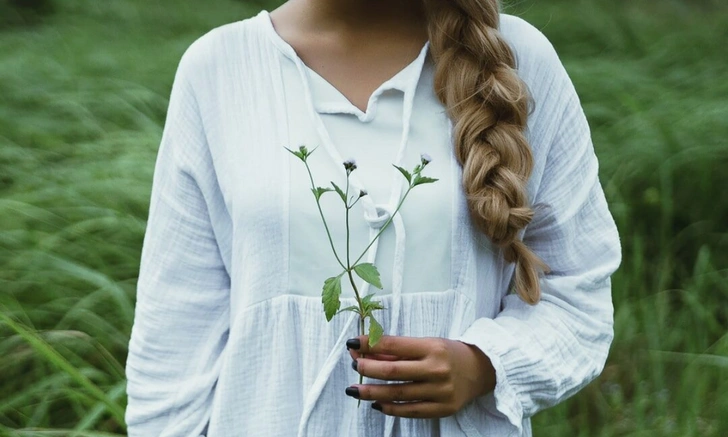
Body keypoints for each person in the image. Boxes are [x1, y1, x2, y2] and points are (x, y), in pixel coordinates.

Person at [124, 0, 622, 435]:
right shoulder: (218, 70)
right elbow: (173, 349)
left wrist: (484, 365)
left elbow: (578, 298)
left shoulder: (517, 61)